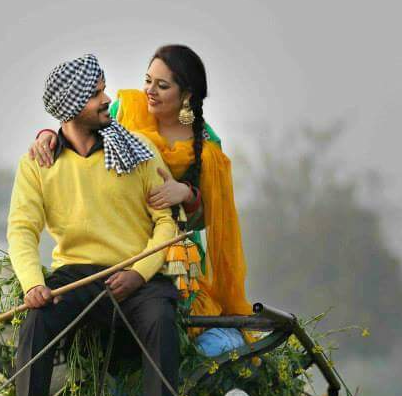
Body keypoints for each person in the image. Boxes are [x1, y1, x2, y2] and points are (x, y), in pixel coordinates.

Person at [0, 54, 191, 396]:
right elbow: (22, 229)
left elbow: (165, 223)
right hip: (75, 277)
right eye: (96, 93)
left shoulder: (137, 151)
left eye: (104, 90)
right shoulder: (38, 162)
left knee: (160, 318)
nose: (107, 100)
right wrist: (33, 283)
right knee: (38, 318)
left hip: (137, 276)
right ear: (70, 106)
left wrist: (138, 274)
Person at [29, 45, 251, 355]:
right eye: (148, 81)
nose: (150, 91)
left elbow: (210, 217)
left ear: (186, 94)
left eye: (162, 86)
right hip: (117, 237)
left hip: (172, 251)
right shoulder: (125, 111)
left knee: (175, 320)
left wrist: (186, 194)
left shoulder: (207, 147)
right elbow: (78, 126)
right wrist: (47, 135)